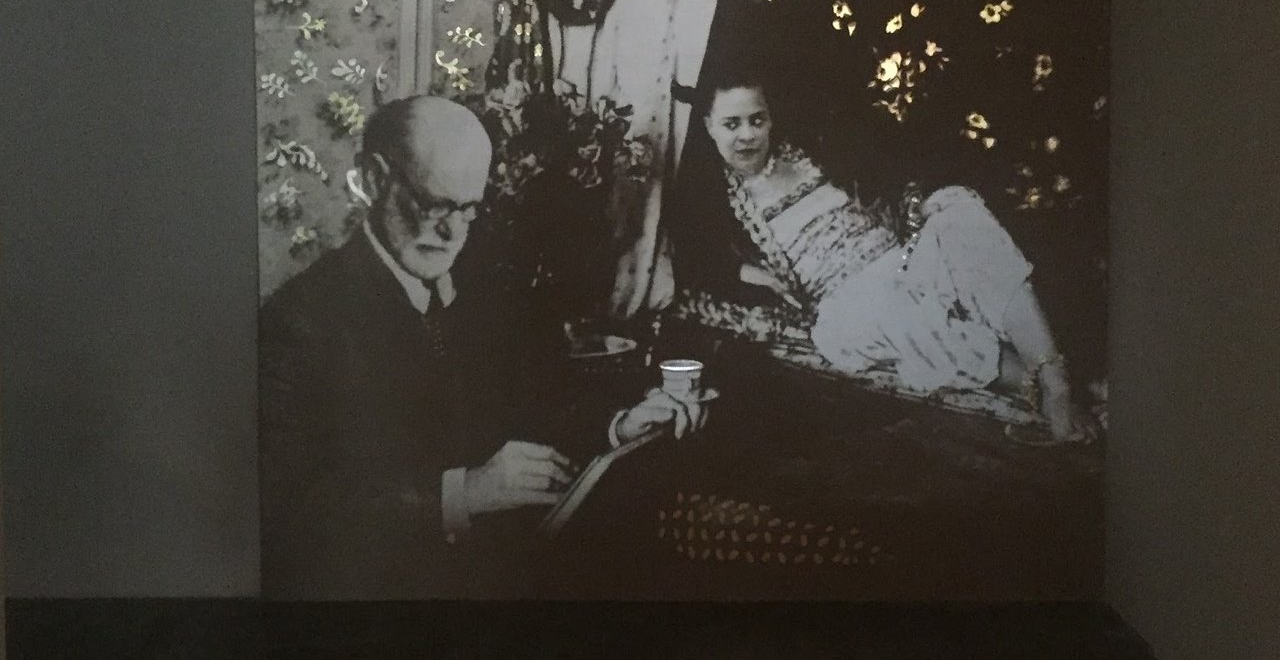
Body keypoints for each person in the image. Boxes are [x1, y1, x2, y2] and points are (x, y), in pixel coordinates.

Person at [259, 95, 706, 600]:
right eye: (433, 205)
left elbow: (538, 400)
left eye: (468, 210)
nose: (451, 233)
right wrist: (462, 493)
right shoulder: (298, 322)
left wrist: (619, 425)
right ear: (374, 178)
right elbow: (288, 510)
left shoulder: (486, 285)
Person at [676, 69, 1087, 442]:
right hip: (843, 300)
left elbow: (886, 178)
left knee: (956, 205)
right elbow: (695, 259)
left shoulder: (808, 154)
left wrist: (917, 205)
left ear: (771, 118)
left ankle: (1055, 377)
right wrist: (751, 273)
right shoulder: (714, 199)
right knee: (900, 312)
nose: (747, 135)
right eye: (732, 124)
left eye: (757, 119)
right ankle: (1041, 390)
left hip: (899, 260)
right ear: (709, 125)